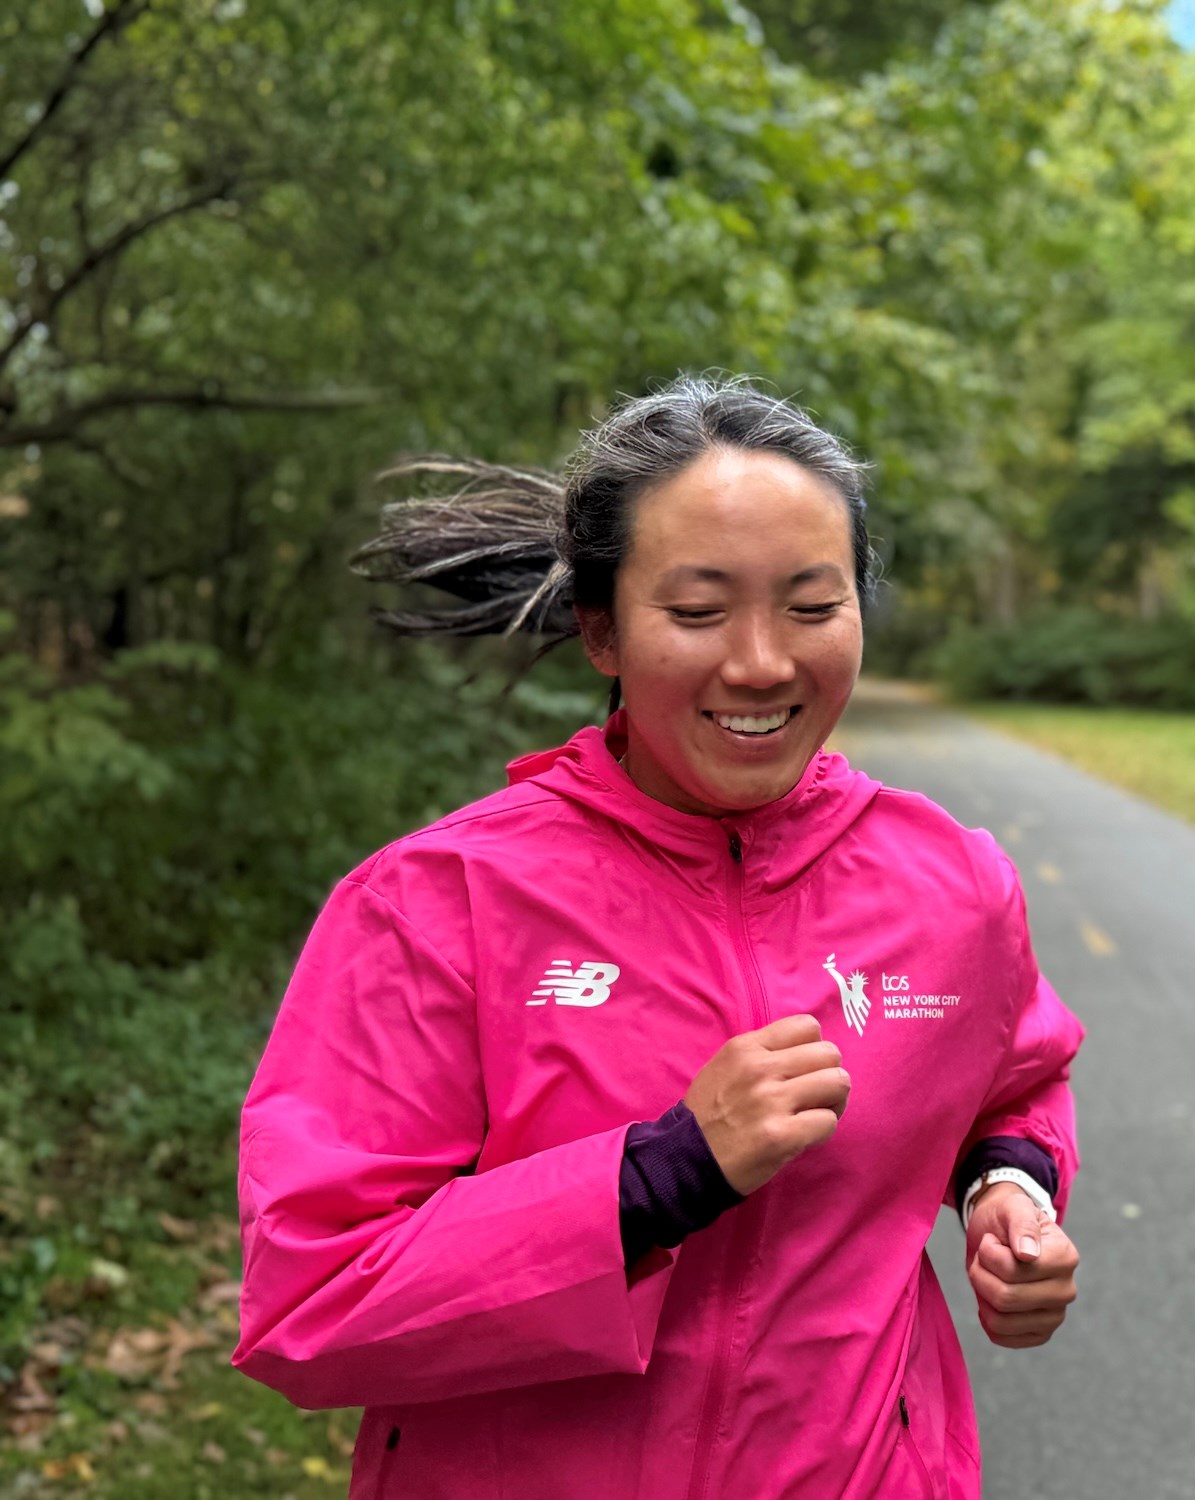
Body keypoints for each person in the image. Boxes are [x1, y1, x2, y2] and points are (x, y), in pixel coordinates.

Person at [231, 375, 1086, 1499]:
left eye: (811, 607)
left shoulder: (952, 883)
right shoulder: (439, 902)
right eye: (696, 612)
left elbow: (1013, 1079)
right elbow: (312, 1299)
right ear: (602, 630)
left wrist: (1007, 1190)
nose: (761, 662)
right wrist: (659, 1177)